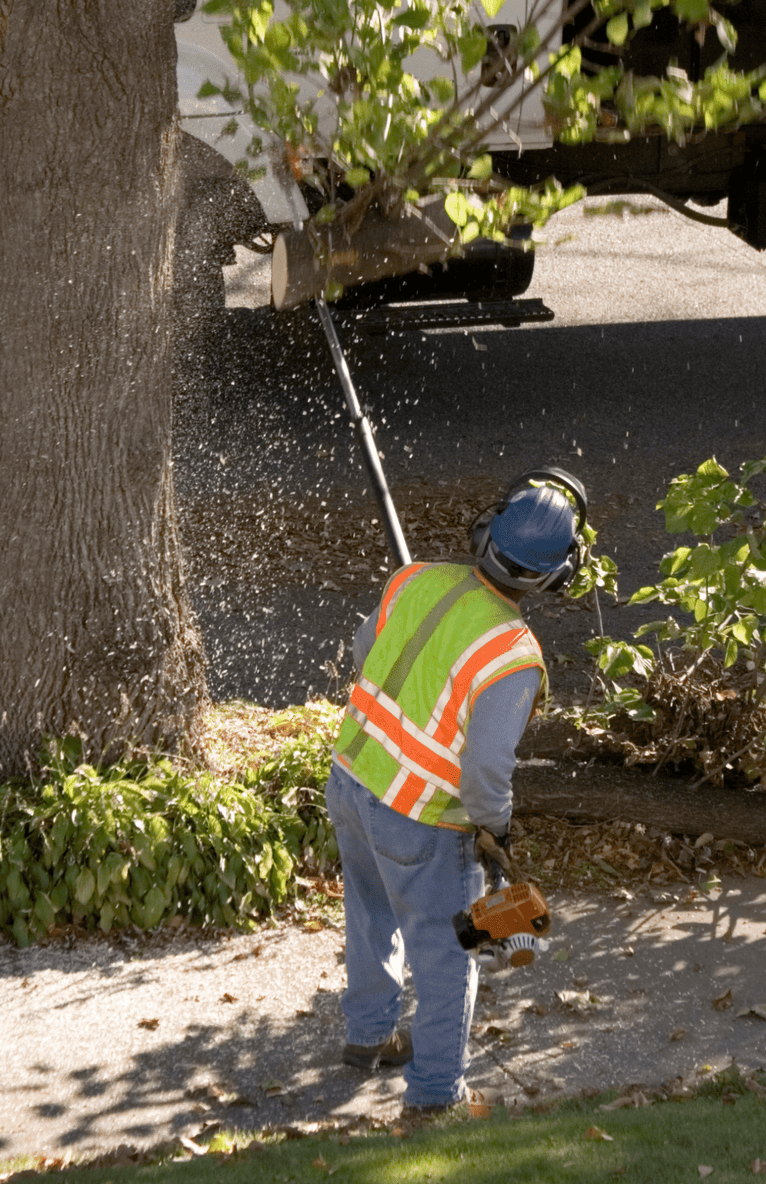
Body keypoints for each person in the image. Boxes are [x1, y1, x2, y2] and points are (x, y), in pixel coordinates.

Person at [324, 468, 588, 1115]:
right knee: (448, 962)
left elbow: (367, 655)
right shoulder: (511, 654)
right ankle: (436, 1099)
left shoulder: (415, 579)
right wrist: (496, 828)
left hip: (351, 781)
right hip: (420, 820)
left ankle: (370, 1036)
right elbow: (484, 774)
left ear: (485, 532)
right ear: (556, 576)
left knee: (370, 914)